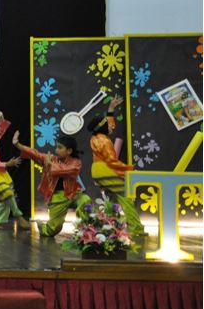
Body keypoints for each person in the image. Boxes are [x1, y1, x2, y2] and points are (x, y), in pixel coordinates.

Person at [12, 131, 91, 236]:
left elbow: (64, 170)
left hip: (73, 193)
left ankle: (85, 226)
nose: (56, 150)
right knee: (52, 230)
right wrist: (18, 144)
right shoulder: (52, 159)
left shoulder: (76, 163)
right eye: (56, 147)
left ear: (69, 151)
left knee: (85, 200)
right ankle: (42, 226)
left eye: (60, 147)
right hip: (57, 196)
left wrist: (50, 166)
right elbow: (35, 154)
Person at [87, 96, 145, 235]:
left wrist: (111, 109)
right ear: (102, 127)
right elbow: (112, 161)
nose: (111, 126)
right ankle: (136, 229)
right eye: (107, 124)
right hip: (105, 170)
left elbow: (110, 126)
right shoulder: (105, 142)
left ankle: (107, 227)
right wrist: (129, 168)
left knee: (112, 199)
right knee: (125, 197)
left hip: (97, 170)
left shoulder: (97, 137)